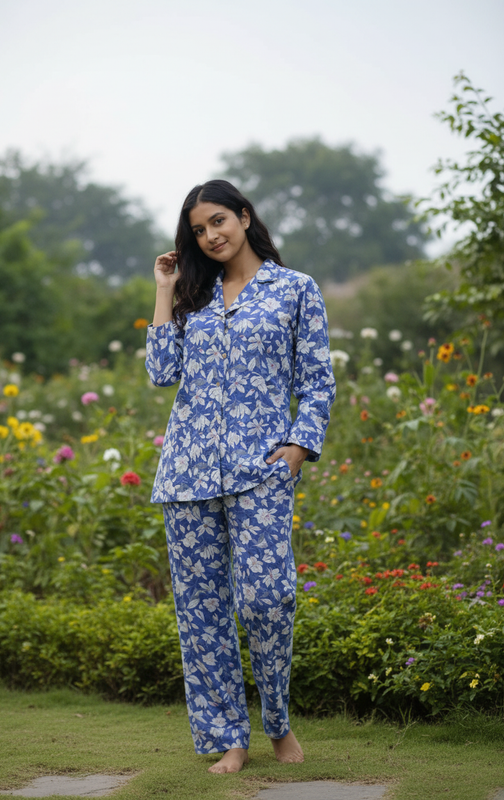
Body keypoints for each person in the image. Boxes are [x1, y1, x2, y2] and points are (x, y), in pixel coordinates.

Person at [145, 179, 336, 774]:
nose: (211, 236)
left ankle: (278, 722)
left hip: (261, 471)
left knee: (269, 597)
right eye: (199, 230)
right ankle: (231, 739)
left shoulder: (294, 290)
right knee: (201, 610)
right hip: (189, 473)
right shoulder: (194, 296)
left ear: (246, 217)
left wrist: (299, 448)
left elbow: (318, 380)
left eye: (219, 221)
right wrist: (165, 291)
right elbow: (160, 371)